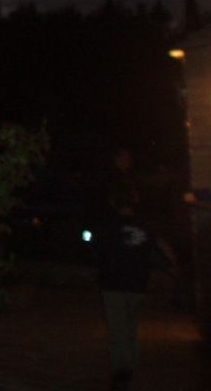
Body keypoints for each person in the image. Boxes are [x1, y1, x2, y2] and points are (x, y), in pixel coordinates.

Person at [93, 148, 153, 391]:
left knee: (118, 329)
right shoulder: (143, 226)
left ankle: (122, 372)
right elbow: (150, 250)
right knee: (130, 328)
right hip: (136, 284)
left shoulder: (109, 226)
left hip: (114, 284)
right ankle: (128, 368)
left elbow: (99, 251)